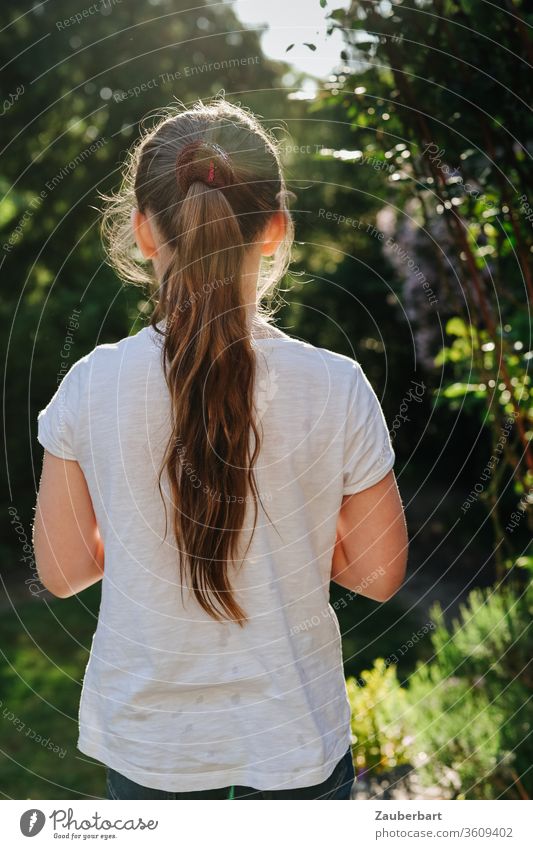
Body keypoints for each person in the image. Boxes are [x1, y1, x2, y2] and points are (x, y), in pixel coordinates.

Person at [33, 97, 408, 800]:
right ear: (274, 229)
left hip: (151, 743)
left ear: (143, 231)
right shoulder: (337, 384)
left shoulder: (93, 386)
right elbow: (380, 573)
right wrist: (288, 529)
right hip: (293, 732)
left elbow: (61, 569)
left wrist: (146, 524)